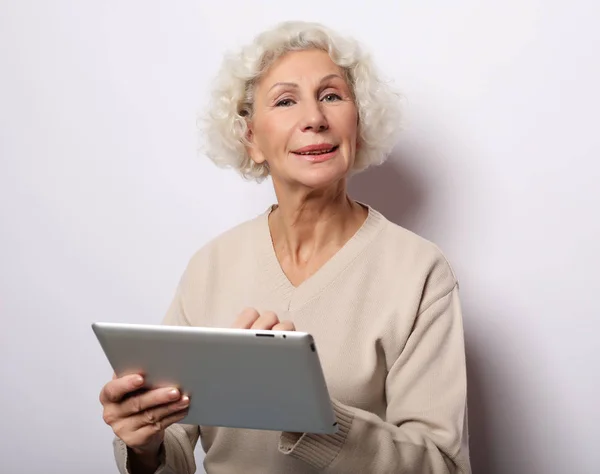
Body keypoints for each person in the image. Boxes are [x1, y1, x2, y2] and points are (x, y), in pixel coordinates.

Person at [99, 21, 471, 474]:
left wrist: (309, 413)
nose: (314, 118)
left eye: (332, 96)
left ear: (359, 122)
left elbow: (443, 465)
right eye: (286, 101)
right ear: (251, 138)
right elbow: (173, 447)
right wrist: (145, 443)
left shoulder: (420, 271)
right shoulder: (211, 265)